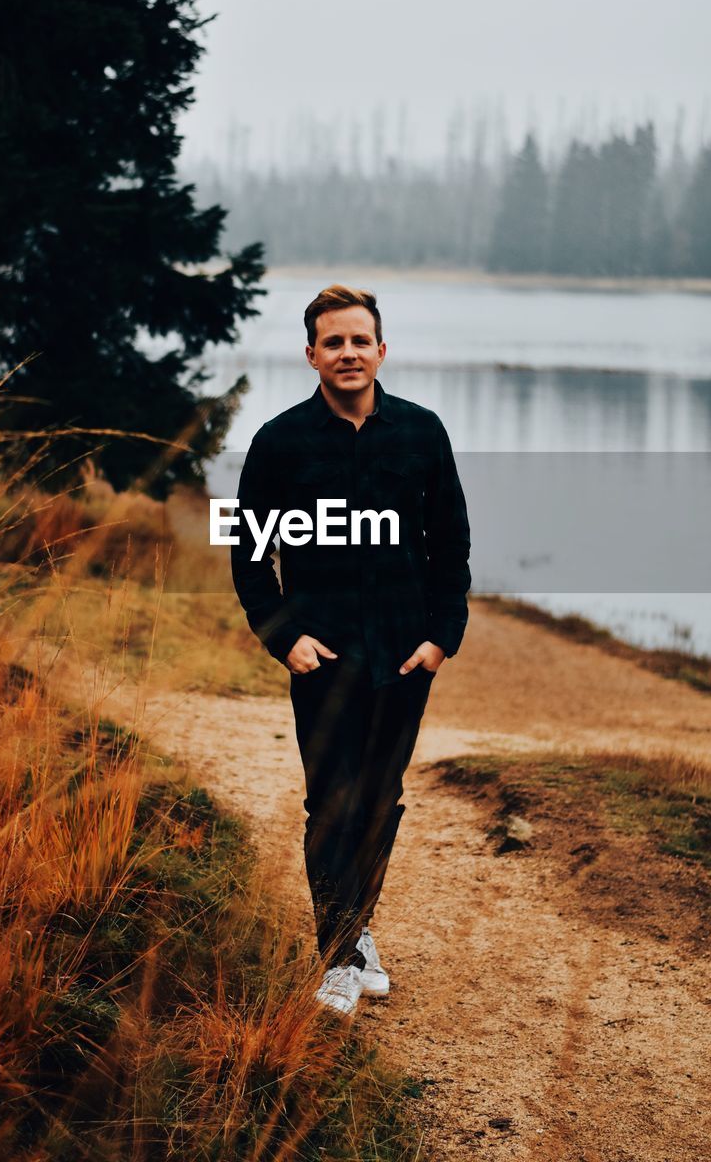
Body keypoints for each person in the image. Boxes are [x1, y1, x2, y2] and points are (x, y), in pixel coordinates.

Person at [230, 284, 471, 1016]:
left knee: (377, 801)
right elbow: (247, 552)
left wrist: (439, 637)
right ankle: (337, 958)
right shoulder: (279, 442)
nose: (346, 353)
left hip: (402, 655)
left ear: (380, 350)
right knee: (329, 803)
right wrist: (283, 637)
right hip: (323, 657)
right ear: (310, 355)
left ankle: (354, 928)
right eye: (331, 343)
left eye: (358, 340)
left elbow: (451, 544)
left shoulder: (421, 433)